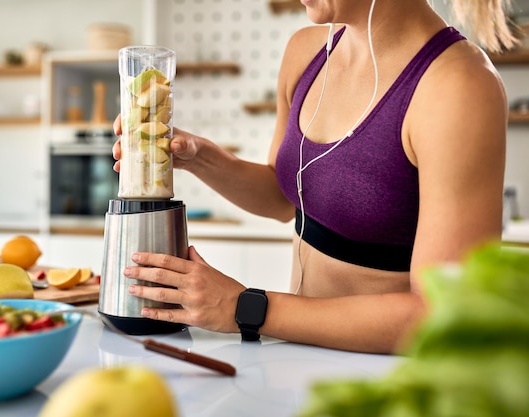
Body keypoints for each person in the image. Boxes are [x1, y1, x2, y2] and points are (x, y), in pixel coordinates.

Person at [113, 0, 515, 354]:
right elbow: (282, 197)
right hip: (298, 354)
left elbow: (442, 313)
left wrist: (244, 307)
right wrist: (199, 156)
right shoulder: (306, 52)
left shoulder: (458, 86)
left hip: (390, 375)